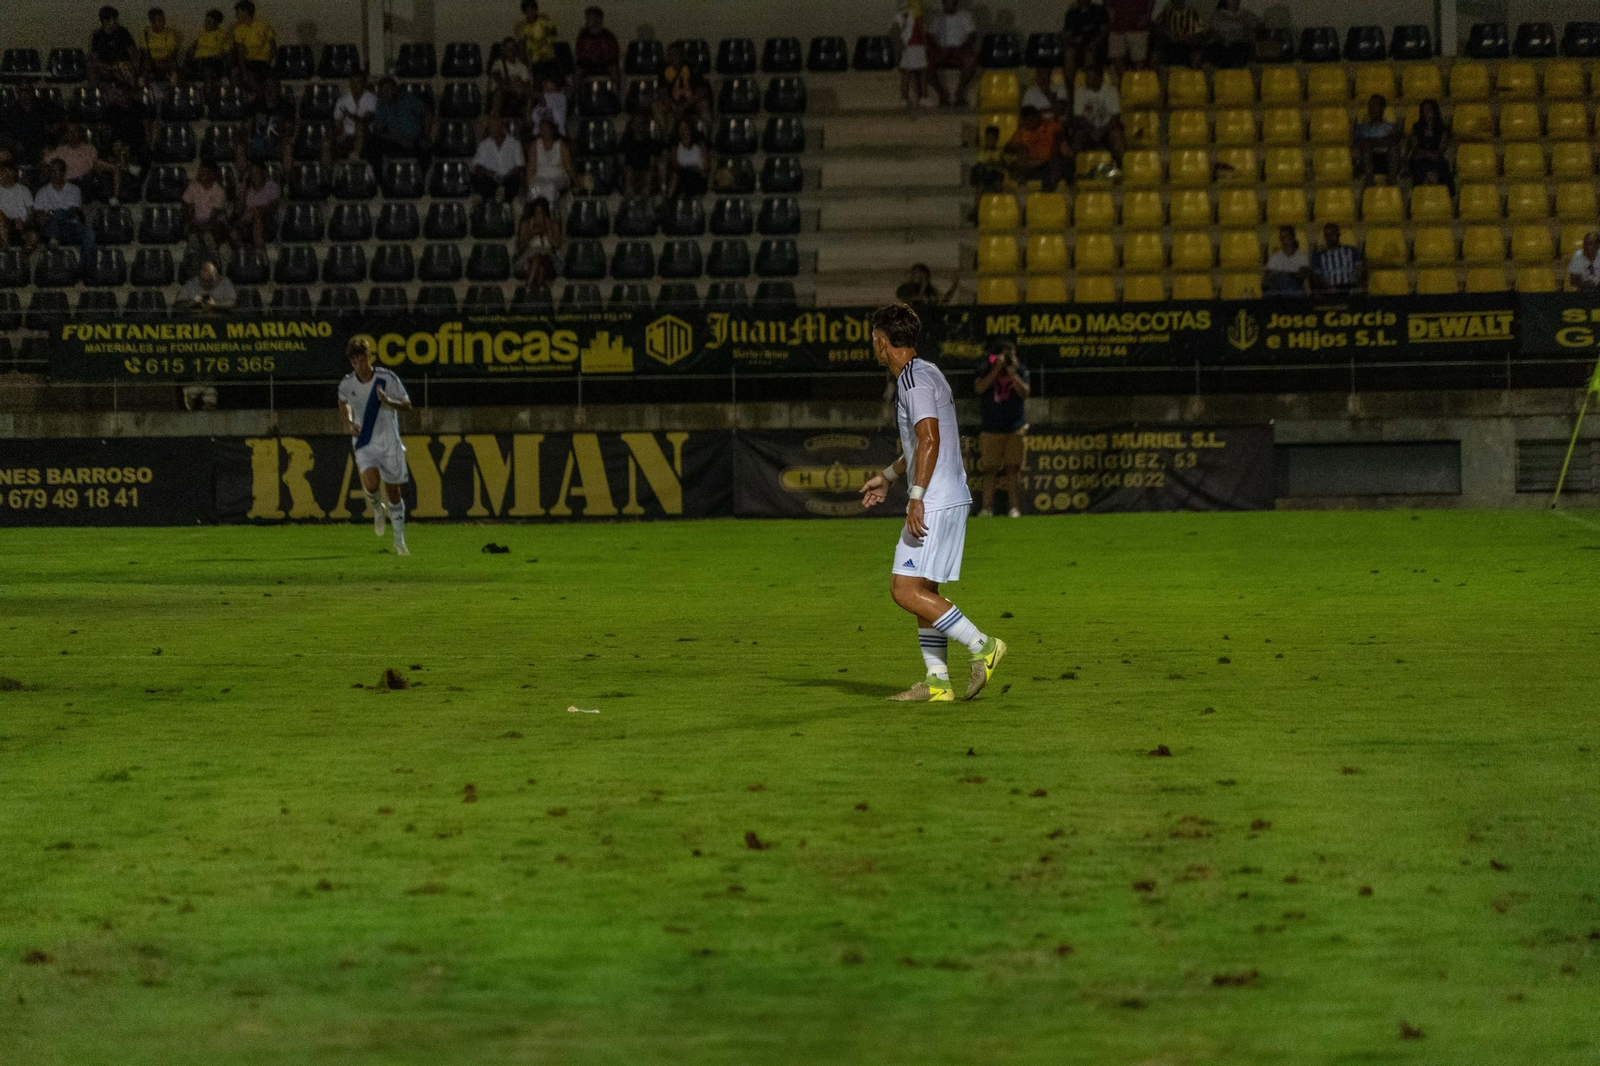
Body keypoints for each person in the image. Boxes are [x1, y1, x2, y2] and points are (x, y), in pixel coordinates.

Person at [858, 303, 1007, 703]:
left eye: (874, 338)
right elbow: (920, 443)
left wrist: (916, 498)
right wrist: (889, 478)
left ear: (882, 341)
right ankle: (938, 682)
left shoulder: (912, 381)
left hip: (936, 499)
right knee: (925, 589)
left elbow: (929, 440)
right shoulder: (927, 372)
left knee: (903, 589)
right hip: (948, 495)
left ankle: (983, 645)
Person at [337, 336, 413, 557]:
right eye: (355, 362)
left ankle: (399, 541)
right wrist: (349, 423)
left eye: (362, 359)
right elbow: (342, 401)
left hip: (390, 442)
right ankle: (377, 509)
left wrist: (388, 400)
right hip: (365, 441)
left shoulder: (386, 378)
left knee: (394, 492)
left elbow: (407, 404)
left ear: (368, 357)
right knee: (371, 484)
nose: (359, 365)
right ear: (351, 363)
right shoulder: (347, 383)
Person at [974, 340, 1030, 518]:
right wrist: (996, 369)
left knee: (1013, 469)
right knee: (990, 469)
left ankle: (1014, 509)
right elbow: (980, 388)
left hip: (1014, 427)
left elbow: (1025, 393)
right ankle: (986, 508)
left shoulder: (1020, 369)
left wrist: (1013, 373)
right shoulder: (985, 368)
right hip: (991, 427)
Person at [32, 160, 96, 260]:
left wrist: (51, 212)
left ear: (63, 172)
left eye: (58, 170)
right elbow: (39, 215)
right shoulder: (42, 192)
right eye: (52, 171)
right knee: (58, 214)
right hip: (49, 228)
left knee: (89, 234)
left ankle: (85, 267)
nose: (55, 174)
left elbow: (72, 211)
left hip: (70, 226)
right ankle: (53, 237)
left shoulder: (74, 189)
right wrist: (51, 216)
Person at [366, 77, 431, 170]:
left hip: (414, 139)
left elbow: (427, 113)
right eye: (383, 91)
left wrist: (426, 135)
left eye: (388, 89)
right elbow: (378, 129)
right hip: (396, 140)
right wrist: (397, 138)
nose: (386, 93)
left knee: (424, 150)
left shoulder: (407, 98)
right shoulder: (382, 105)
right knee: (373, 143)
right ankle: (378, 179)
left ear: (395, 89)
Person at [926, 0, 979, 108]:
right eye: (946, 3)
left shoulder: (965, 16)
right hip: (941, 51)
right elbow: (929, 37)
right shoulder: (937, 17)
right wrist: (939, 49)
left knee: (972, 59)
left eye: (951, 2)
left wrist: (960, 48)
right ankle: (942, 94)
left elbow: (972, 36)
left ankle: (960, 93)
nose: (949, 5)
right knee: (922, 62)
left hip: (959, 51)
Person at [1070, 64, 1124, 164]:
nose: (1087, 80)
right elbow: (1078, 118)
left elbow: (1116, 117)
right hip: (1088, 130)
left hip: (1107, 129)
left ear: (1099, 78)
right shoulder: (1080, 92)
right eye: (1087, 77)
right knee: (1078, 137)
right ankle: (1073, 172)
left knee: (1116, 136)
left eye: (1090, 77)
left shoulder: (1111, 91)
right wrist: (1092, 131)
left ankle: (1122, 168)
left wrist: (1101, 131)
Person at [1005, 105, 1066, 191]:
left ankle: (1047, 195)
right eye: (1026, 122)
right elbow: (1008, 147)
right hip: (1029, 166)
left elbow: (1061, 135)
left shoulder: (1050, 126)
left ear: (1036, 117)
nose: (1028, 124)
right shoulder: (1022, 131)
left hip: (1047, 164)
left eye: (1030, 121)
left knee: (1055, 165)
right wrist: (1019, 148)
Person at [472, 116, 525, 201]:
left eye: (495, 126)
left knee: (514, 180)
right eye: (491, 126)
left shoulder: (515, 144)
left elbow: (520, 166)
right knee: (482, 181)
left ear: (502, 126)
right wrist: (490, 173)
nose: (492, 129)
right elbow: (477, 166)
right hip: (490, 178)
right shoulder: (484, 145)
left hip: (509, 178)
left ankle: (506, 202)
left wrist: (507, 175)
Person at [513, 196, 561, 288]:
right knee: (539, 266)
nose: (538, 216)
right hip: (528, 256)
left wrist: (548, 231)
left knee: (539, 261)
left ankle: (528, 288)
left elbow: (557, 245)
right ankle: (537, 290)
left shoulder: (553, 225)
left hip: (549, 256)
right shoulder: (526, 224)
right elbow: (521, 247)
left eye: (541, 213)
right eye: (536, 213)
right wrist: (533, 233)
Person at [1407, 98, 1453, 194]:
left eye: (1429, 110)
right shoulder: (1416, 127)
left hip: (1436, 159)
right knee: (1420, 166)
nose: (1426, 113)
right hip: (1419, 159)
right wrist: (1427, 154)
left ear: (1435, 111)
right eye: (1423, 110)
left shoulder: (1442, 129)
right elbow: (1415, 147)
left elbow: (1441, 150)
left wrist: (1431, 155)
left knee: (1440, 168)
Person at [523, 117, 571, 205]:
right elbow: (531, 167)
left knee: (550, 188)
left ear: (552, 130)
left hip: (558, 177)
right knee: (534, 188)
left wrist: (574, 180)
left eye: (546, 129)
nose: (544, 132)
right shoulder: (535, 145)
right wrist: (528, 183)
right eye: (542, 129)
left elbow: (568, 166)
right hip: (540, 177)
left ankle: (550, 212)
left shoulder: (561, 146)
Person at [1353, 94, 1400, 185]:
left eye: (1375, 105)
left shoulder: (1390, 127)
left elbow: (1393, 141)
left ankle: (1391, 183)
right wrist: (1380, 141)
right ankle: (1370, 184)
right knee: (1366, 148)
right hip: (1367, 160)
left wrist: (1371, 142)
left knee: (1393, 148)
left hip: (1386, 159)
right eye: (1370, 105)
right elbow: (1359, 143)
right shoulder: (1362, 128)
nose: (1371, 108)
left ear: (1382, 108)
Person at [230, 0, 277, 91]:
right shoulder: (238, 29)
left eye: (238, 12)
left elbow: (273, 46)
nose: (236, 15)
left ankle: (257, 96)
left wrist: (269, 61)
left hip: (262, 61)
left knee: (256, 76)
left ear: (246, 12)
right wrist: (243, 70)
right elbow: (240, 51)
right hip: (248, 61)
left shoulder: (263, 26)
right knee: (236, 73)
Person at [182, 162, 230, 248]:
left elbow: (213, 217)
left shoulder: (219, 191)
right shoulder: (193, 187)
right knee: (192, 235)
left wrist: (201, 229)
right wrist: (189, 221)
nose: (200, 173)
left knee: (210, 233)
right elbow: (185, 206)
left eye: (203, 171)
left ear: (211, 175)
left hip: (214, 223)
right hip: (197, 222)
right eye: (200, 171)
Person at [90, 6, 139, 88]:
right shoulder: (97, 36)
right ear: (105, 21)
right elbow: (95, 58)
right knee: (91, 67)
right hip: (106, 67)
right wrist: (111, 67)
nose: (117, 22)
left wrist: (131, 64)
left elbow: (133, 52)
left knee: (125, 69)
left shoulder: (123, 32)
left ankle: (132, 92)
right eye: (114, 19)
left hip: (123, 64)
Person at [231, 161, 279, 246]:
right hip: (247, 222)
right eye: (252, 173)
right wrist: (244, 186)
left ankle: (258, 251)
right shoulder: (247, 189)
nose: (254, 176)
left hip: (266, 222)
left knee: (257, 215)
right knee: (234, 232)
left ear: (263, 173)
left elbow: (273, 208)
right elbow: (239, 210)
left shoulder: (272, 187)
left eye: (257, 172)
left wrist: (256, 211)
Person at [331, 70, 376, 160]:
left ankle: (355, 155)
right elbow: (337, 121)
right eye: (352, 82)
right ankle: (328, 170)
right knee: (327, 141)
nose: (355, 86)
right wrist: (340, 130)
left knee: (360, 126)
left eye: (358, 83)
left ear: (364, 84)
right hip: (346, 133)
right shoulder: (342, 100)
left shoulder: (372, 99)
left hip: (366, 133)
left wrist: (350, 115)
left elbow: (365, 121)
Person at [893, 0, 929, 109]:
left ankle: (918, 98)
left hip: (914, 44)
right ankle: (909, 97)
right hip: (912, 43)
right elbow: (920, 28)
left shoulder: (903, 14)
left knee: (918, 71)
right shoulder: (911, 14)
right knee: (910, 72)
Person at [1061, 0, 1110, 80]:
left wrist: (1094, 41)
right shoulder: (1072, 13)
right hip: (1077, 43)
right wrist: (1073, 40)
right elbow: (1068, 33)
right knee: (1069, 54)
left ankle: (1090, 81)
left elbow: (1104, 31)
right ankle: (1070, 87)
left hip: (1095, 42)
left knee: (1089, 53)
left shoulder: (1099, 10)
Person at [487, 37, 533, 120]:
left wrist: (517, 86)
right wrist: (513, 84)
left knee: (529, 95)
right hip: (502, 93)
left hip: (517, 94)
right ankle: (494, 118)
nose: (511, 50)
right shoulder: (498, 63)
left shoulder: (521, 67)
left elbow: (525, 84)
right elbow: (498, 79)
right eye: (508, 48)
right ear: (503, 50)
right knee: (499, 93)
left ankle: (527, 121)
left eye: (513, 47)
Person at [1311, 222, 1364, 294]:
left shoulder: (1352, 251)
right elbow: (1316, 276)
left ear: (1338, 234)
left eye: (1332, 234)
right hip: (1329, 291)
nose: (1330, 237)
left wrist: (1358, 288)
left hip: (1350, 288)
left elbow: (1359, 271)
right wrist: (1327, 289)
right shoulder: (1319, 255)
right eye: (1327, 235)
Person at [515, 0, 560, 83]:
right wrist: (524, 62)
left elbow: (554, 33)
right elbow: (521, 45)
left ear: (536, 10)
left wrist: (550, 29)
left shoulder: (544, 21)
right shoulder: (521, 26)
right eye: (528, 11)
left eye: (532, 10)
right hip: (533, 60)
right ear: (524, 12)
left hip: (549, 57)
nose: (530, 13)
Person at [1106, 0, 1155, 75]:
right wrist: (1111, 17)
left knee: (1139, 60)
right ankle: (1124, 83)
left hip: (1138, 26)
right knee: (1116, 57)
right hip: (1117, 25)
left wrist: (1147, 16)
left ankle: (1136, 82)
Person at [1206, 0, 1259, 68]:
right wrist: (1223, 41)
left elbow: (1259, 26)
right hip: (1222, 46)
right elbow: (1212, 31)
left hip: (1240, 46)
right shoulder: (1217, 15)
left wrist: (1250, 34)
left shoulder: (1246, 14)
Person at [618, 110, 659, 194]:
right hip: (630, 172)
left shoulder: (650, 141)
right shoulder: (626, 139)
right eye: (636, 123)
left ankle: (645, 196)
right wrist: (624, 170)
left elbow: (652, 162)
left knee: (649, 173)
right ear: (632, 124)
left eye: (640, 123)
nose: (638, 126)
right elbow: (621, 159)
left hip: (645, 171)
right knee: (629, 171)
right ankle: (629, 195)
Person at [1152, 0, 1204, 67]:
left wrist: (1188, 38)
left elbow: (1200, 33)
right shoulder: (1166, 13)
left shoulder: (1193, 14)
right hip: (1169, 46)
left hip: (1188, 47)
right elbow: (1156, 27)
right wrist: (1167, 34)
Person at [666, 119, 708, 199]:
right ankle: (670, 198)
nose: (683, 131)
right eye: (681, 128)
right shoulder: (676, 147)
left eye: (685, 128)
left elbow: (705, 167)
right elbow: (675, 166)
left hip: (697, 175)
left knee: (686, 174)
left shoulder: (699, 145)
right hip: (681, 176)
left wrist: (694, 169)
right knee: (680, 174)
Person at [188, 8, 231, 85]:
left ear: (216, 22)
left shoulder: (222, 35)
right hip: (198, 59)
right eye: (206, 21)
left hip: (213, 61)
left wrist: (216, 57)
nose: (206, 23)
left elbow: (226, 52)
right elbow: (194, 44)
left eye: (209, 22)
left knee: (208, 69)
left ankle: (208, 91)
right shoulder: (202, 31)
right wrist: (191, 51)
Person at [1262, 225, 1309, 295]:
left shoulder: (1302, 257)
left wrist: (1285, 274)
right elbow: (1266, 279)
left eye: (1286, 236)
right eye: (1281, 237)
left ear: (1293, 237)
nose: (1283, 239)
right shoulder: (1274, 258)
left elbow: (1302, 275)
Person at [140, 7, 183, 83]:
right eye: (159, 20)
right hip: (151, 61)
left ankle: (174, 89)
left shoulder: (169, 33)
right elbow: (145, 52)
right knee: (145, 68)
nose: (162, 22)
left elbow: (171, 52)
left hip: (166, 60)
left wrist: (163, 61)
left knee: (173, 67)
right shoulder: (146, 33)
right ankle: (144, 90)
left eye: (163, 19)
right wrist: (154, 61)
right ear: (152, 22)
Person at [574, 6, 619, 78]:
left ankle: (615, 89)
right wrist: (589, 57)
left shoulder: (608, 35)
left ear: (598, 19)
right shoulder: (583, 35)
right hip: (587, 62)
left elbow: (614, 52)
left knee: (614, 68)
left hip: (605, 62)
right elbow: (579, 51)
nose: (587, 20)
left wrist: (602, 57)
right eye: (587, 18)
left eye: (590, 18)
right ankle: (576, 89)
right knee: (578, 70)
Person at [0, 163, 36, 252]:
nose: (1, 175)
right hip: (5, 223)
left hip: (22, 224)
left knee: (32, 235)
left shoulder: (23, 190)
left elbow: (31, 213)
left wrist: (25, 223)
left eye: (3, 172)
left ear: (12, 174)